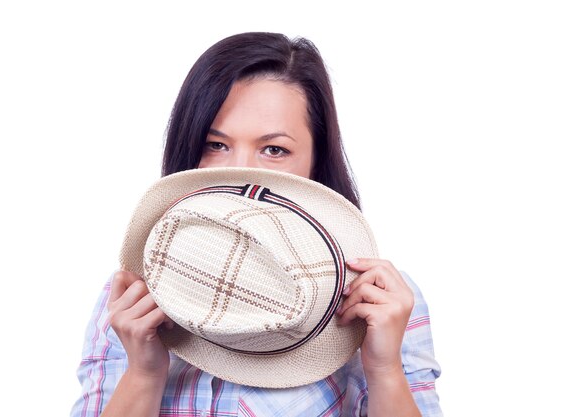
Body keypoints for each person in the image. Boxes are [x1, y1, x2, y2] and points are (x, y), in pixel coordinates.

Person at [71, 32, 442, 417]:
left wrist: (384, 370)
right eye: (216, 145)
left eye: (274, 149)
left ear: (316, 162)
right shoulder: (132, 296)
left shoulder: (379, 300)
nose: (240, 171)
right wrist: (144, 374)